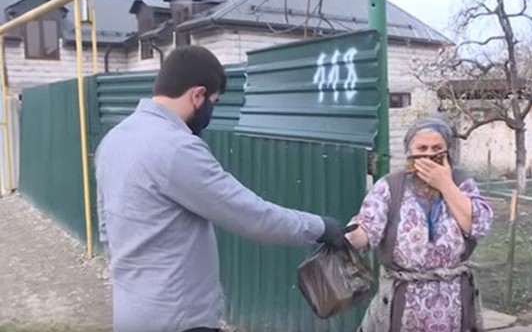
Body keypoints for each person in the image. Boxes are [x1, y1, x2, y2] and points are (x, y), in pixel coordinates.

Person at [94, 46, 347, 332]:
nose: (211, 110)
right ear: (197, 95)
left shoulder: (113, 140)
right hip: (179, 319)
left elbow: (106, 228)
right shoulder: (177, 147)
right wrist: (320, 227)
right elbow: (251, 216)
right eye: (214, 101)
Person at [345, 116, 494, 332]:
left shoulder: (462, 182)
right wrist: (350, 236)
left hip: (454, 302)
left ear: (448, 151)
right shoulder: (390, 186)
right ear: (409, 151)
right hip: (405, 302)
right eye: (421, 147)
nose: (429, 154)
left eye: (437, 148)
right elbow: (368, 229)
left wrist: (444, 183)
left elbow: (479, 225)